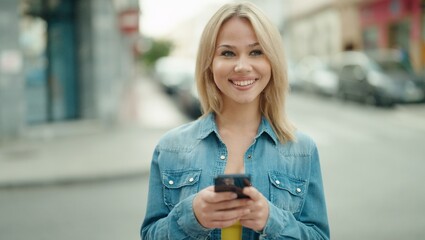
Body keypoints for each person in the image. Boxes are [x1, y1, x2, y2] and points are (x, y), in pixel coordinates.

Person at [141, 2, 330, 239]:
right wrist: (192, 217)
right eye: (227, 53)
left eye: (256, 52)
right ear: (209, 64)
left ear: (272, 61)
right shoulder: (170, 147)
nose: (242, 66)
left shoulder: (302, 150)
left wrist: (271, 220)